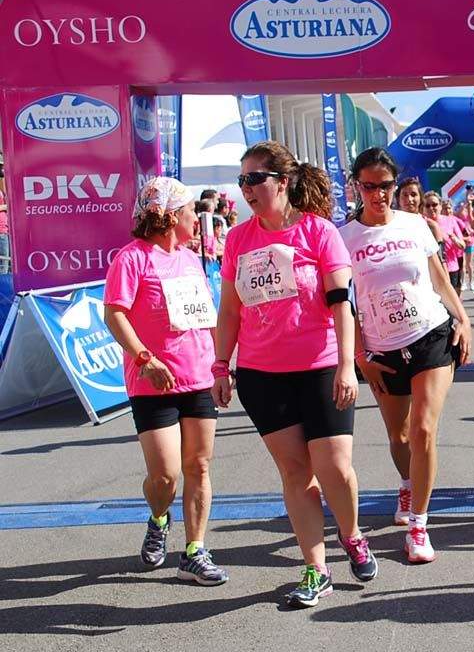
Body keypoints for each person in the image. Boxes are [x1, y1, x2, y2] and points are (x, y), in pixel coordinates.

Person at [213, 141, 376, 607]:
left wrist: (347, 365)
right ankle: (315, 568)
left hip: (322, 367)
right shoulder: (237, 240)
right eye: (242, 180)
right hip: (263, 375)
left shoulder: (319, 232)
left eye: (254, 179)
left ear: (282, 182)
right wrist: (221, 365)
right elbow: (229, 311)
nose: (246, 189)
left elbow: (341, 304)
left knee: (335, 469)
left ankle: (352, 535)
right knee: (295, 472)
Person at [342, 148, 472, 564]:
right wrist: (360, 353)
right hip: (382, 348)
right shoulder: (345, 238)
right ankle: (406, 481)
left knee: (423, 431)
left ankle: (419, 525)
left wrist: (463, 319)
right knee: (398, 436)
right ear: (357, 186)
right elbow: (344, 305)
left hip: (431, 334)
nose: (378, 194)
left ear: (394, 185)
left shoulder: (416, 224)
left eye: (385, 186)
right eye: (369, 186)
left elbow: (438, 277)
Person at [102, 177, 227, 586]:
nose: (198, 218)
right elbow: (115, 314)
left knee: (200, 466)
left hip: (199, 376)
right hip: (153, 381)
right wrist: (145, 358)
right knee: (166, 475)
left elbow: (205, 315)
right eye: (193, 210)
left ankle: (195, 551)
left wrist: (222, 367)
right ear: (172, 216)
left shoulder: (192, 260)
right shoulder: (132, 258)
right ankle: (158, 518)